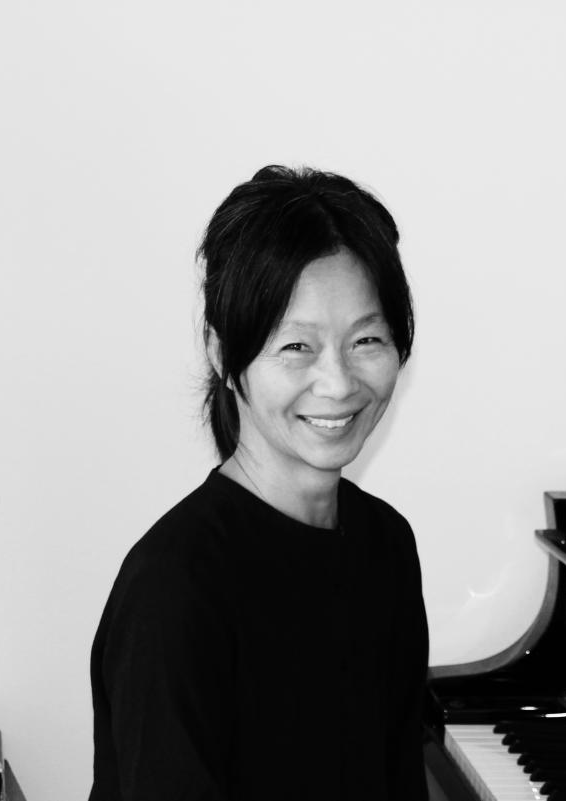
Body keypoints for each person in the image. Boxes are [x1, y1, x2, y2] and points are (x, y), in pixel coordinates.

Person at [88, 166, 427, 800]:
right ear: (224, 355)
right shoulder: (175, 586)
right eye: (296, 347)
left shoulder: (385, 543)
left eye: (367, 339)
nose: (338, 383)